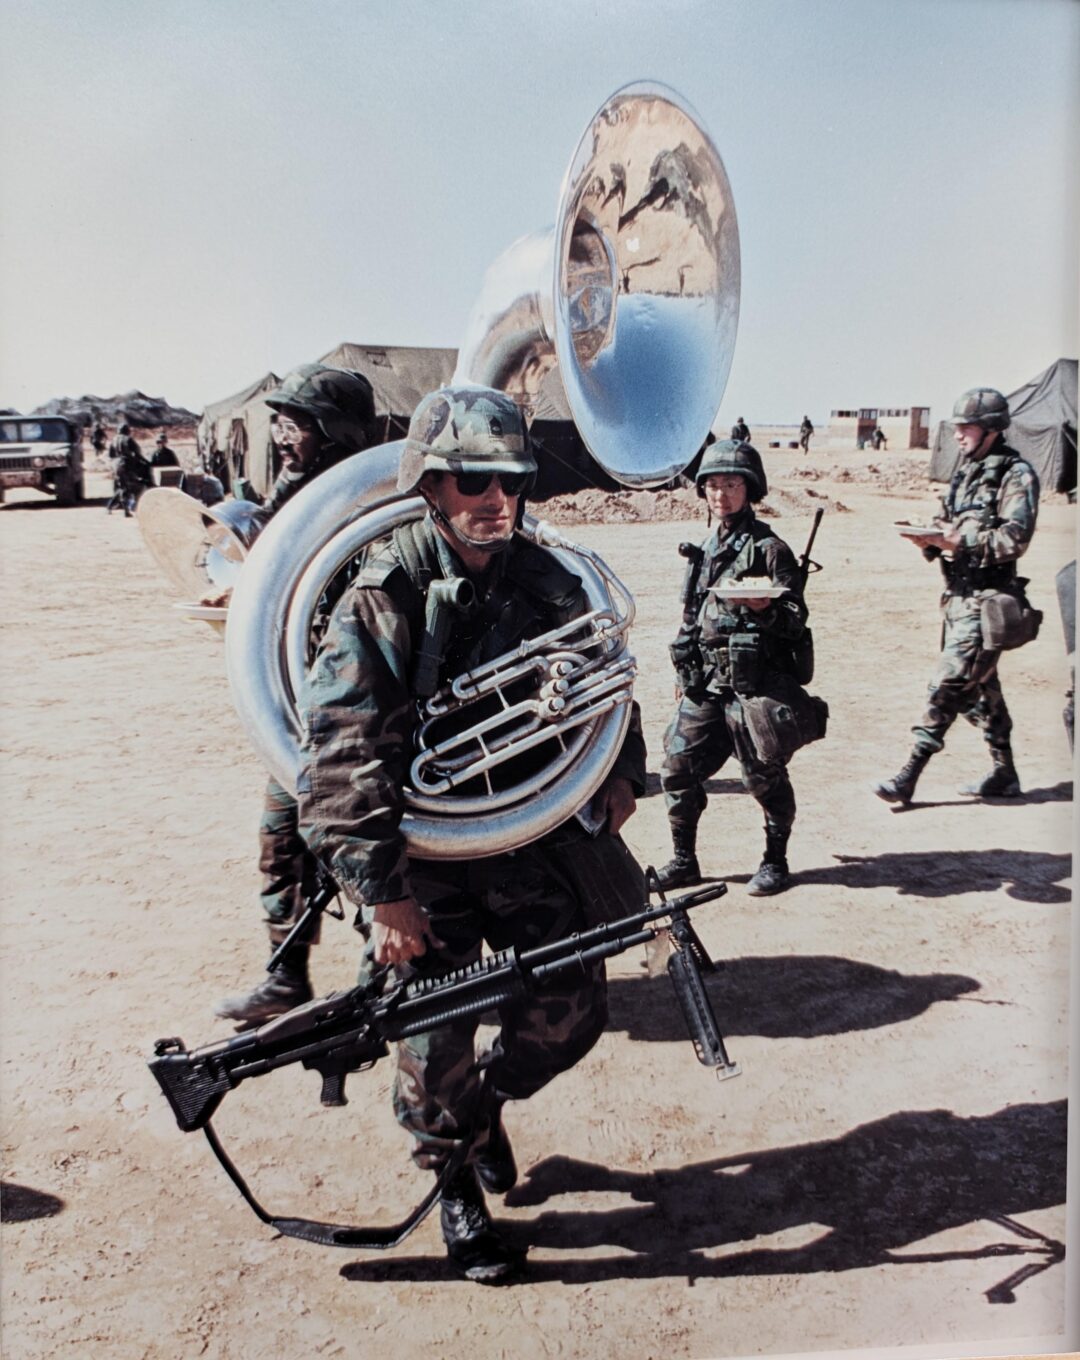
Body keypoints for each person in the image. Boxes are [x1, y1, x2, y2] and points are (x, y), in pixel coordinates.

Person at [295, 384, 646, 1282]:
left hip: (527, 835)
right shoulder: (385, 590)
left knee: (572, 1017)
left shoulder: (546, 576)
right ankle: (455, 1183)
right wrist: (384, 893)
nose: (495, 500)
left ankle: (485, 1106)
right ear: (431, 486)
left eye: (510, 482)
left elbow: (607, 682)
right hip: (428, 855)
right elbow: (338, 759)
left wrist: (620, 776)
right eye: (472, 481)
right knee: (431, 1032)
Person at [213, 364, 379, 1026]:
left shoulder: (368, 505)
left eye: (296, 426)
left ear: (334, 433)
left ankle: (391, 985)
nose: (283, 438)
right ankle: (285, 977)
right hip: (297, 714)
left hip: (362, 723)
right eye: (280, 425)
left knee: (370, 857)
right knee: (281, 844)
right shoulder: (294, 500)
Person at [654, 439, 817, 898]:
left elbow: (794, 623)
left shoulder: (770, 549)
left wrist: (765, 607)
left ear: (750, 489)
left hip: (753, 686)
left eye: (731, 485)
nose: (720, 495)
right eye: (712, 486)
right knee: (676, 767)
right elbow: (691, 616)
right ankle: (684, 860)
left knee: (762, 778)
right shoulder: (704, 550)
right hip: (706, 684)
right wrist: (682, 673)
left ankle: (775, 860)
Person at [873, 387, 1040, 804]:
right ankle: (1005, 773)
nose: (959, 434)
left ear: (991, 429)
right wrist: (930, 538)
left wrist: (957, 541)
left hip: (989, 602)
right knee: (982, 691)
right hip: (957, 600)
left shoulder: (1016, 474)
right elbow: (950, 523)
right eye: (959, 426)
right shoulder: (966, 470)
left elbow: (1014, 539)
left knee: (947, 685)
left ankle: (908, 774)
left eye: (967, 426)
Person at [106, 423, 153, 515]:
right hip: (126, 464)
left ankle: (111, 506)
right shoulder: (128, 439)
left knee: (121, 486)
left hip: (116, 464)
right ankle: (125, 510)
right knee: (128, 487)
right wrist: (146, 462)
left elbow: (110, 455)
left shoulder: (114, 440)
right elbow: (137, 453)